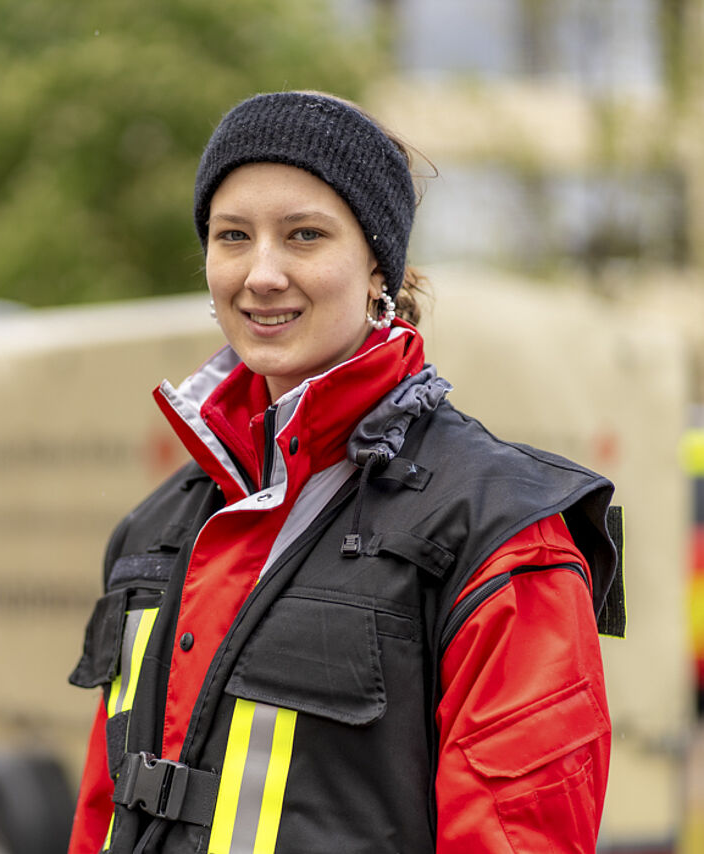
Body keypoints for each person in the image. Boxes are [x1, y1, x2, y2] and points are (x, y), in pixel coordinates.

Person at [67, 91, 622, 854]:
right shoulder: (156, 527)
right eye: (233, 236)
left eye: (305, 235)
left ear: (376, 270)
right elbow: (102, 813)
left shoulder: (499, 535)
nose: (262, 273)